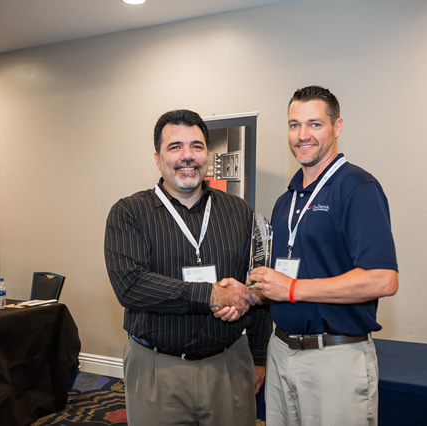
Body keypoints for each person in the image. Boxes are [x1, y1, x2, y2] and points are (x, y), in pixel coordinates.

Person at [105, 109, 270, 425]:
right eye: (175, 147)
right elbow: (131, 286)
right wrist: (210, 295)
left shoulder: (240, 211)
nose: (187, 156)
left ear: (208, 153)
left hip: (229, 365)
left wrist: (259, 357)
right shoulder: (129, 213)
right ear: (158, 158)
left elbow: (258, 286)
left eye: (196, 146)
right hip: (157, 367)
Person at [248, 85, 398, 426]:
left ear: (337, 127)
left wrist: (291, 289)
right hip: (281, 351)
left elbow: (383, 279)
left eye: (315, 124)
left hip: (334, 357)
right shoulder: (287, 199)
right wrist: (251, 293)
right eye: (294, 125)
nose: (303, 135)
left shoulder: (357, 188)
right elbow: (288, 276)